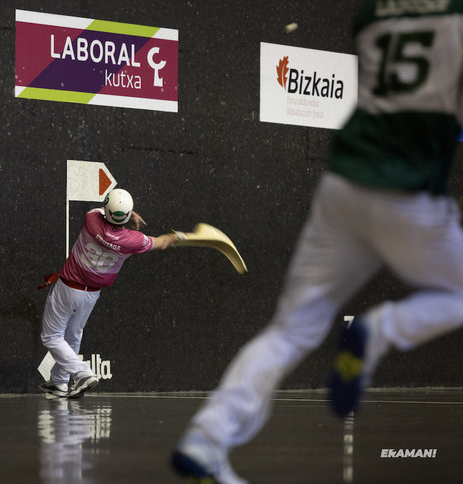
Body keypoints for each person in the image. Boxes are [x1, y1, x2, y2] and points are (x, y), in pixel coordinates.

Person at [172, 1, 463, 482]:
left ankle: (206, 436)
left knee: (289, 330)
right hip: (407, 196)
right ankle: (377, 333)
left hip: (343, 189)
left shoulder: (370, 14)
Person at [39, 188, 182, 399]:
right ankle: (59, 382)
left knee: (51, 336)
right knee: (73, 335)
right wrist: (176, 235)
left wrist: (128, 213)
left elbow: (105, 210)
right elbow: (161, 243)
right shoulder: (133, 240)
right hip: (91, 295)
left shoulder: (91, 219)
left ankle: (83, 374)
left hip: (68, 287)